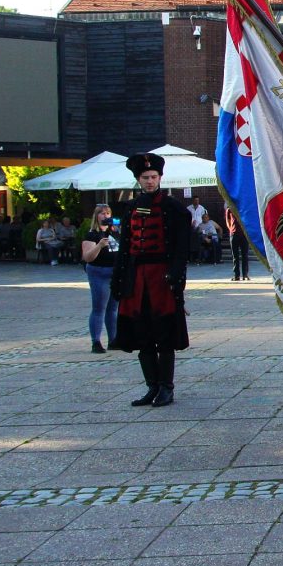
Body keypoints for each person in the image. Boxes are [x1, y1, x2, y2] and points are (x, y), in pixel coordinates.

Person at [111, 152, 192, 408]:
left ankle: (166, 388)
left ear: (160, 178)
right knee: (142, 335)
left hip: (161, 279)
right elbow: (125, 247)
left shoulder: (173, 208)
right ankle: (152, 387)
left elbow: (182, 247)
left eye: (153, 177)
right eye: (145, 177)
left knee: (164, 334)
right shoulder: (131, 208)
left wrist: (176, 275)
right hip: (136, 279)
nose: (150, 181)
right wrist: (119, 279)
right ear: (138, 179)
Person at [80, 205, 120, 354]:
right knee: (99, 308)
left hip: (114, 273)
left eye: (108, 213)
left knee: (113, 308)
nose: (105, 216)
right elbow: (87, 257)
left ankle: (113, 340)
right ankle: (96, 341)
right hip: (99, 272)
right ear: (96, 216)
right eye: (102, 213)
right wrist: (99, 246)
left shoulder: (115, 233)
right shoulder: (92, 235)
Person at [226, 206, 250, 282]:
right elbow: (228, 221)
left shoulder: (244, 207)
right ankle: (236, 275)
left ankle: (245, 274)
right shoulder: (230, 209)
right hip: (234, 234)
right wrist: (231, 230)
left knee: (245, 255)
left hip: (244, 234)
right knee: (235, 256)